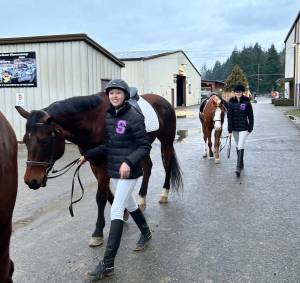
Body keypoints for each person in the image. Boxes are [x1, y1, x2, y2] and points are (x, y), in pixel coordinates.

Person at [78, 79, 152, 281]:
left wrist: (129, 161)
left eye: (118, 92)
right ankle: (146, 232)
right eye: (111, 93)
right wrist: (88, 155)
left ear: (125, 95)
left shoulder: (134, 116)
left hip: (130, 171)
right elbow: (109, 146)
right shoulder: (110, 116)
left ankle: (108, 263)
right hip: (115, 171)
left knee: (117, 209)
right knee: (130, 203)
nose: (115, 96)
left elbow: (145, 146)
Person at [227, 83, 254, 177]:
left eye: (240, 91)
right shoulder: (230, 102)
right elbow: (229, 117)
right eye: (236, 91)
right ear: (234, 92)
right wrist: (229, 130)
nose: (238, 93)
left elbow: (250, 116)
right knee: (238, 145)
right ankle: (241, 163)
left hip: (244, 128)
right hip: (234, 128)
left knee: (240, 145)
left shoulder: (246, 102)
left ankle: (238, 167)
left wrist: (250, 128)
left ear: (242, 92)